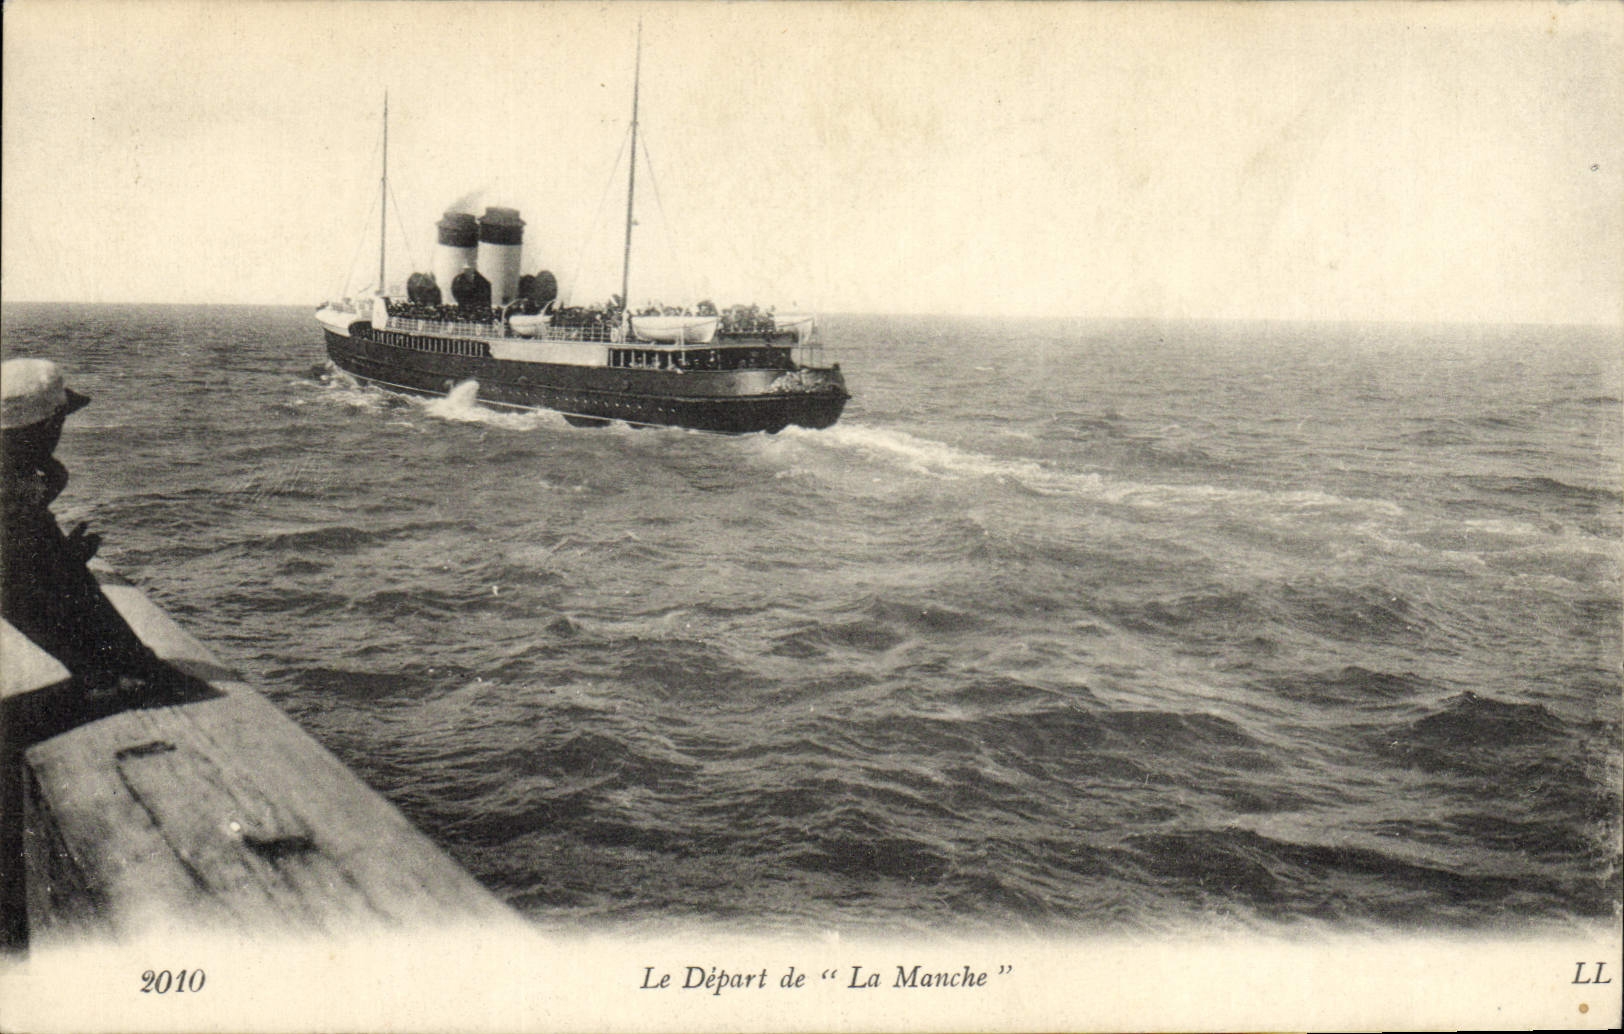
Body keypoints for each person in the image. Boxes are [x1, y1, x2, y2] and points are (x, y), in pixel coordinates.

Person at [1, 359, 171, 692]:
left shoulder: (16, 488)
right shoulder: (13, 504)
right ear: (49, 426)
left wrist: (56, 558)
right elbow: (20, 597)